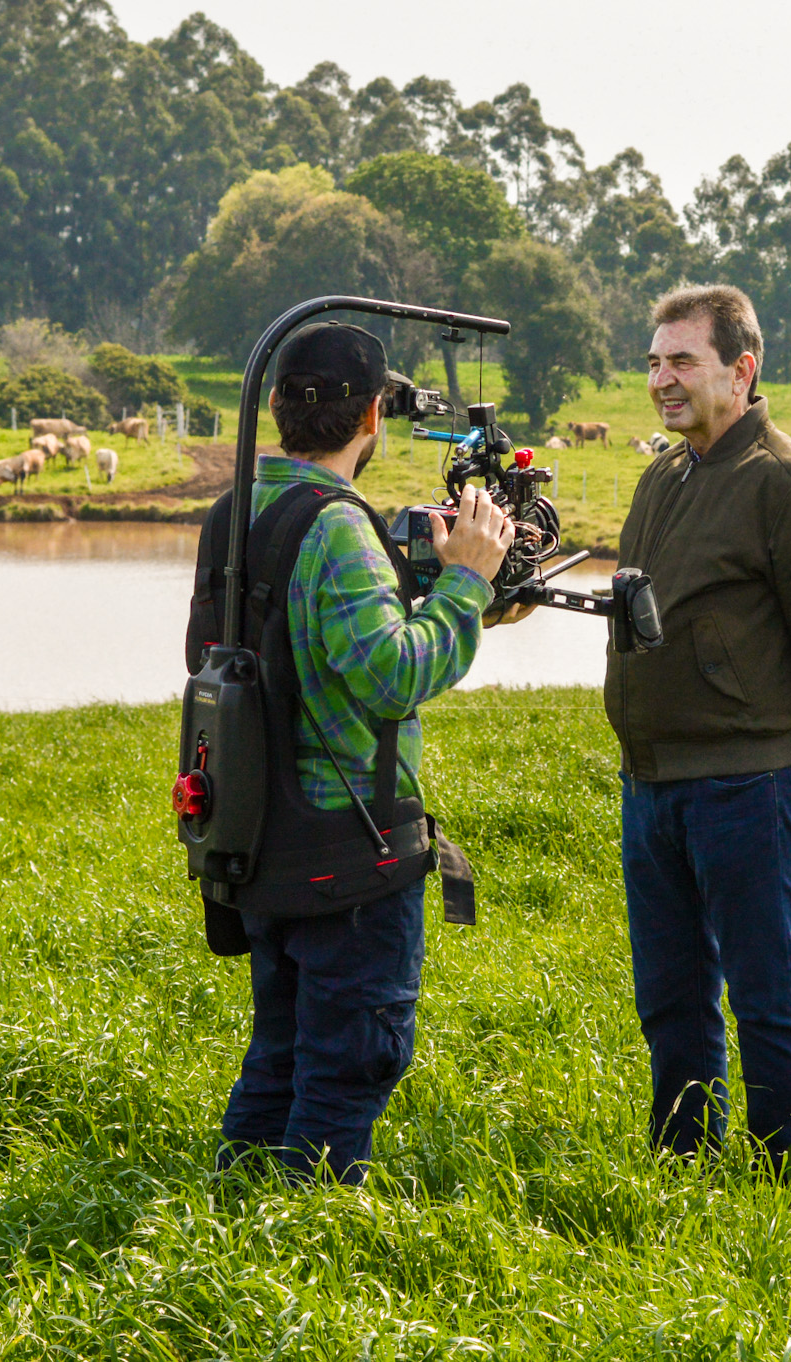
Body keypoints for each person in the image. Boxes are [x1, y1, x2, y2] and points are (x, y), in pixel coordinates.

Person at [207, 322, 514, 1184]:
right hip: (349, 853)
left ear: (274, 408)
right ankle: (308, 1245)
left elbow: (298, 636)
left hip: (264, 834)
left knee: (281, 1056)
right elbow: (389, 676)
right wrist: (464, 586)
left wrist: (454, 594)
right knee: (349, 1068)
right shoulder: (339, 527)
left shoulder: (239, 508)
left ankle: (236, 1224)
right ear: (373, 415)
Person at [606, 285, 791, 1169]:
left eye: (682, 360)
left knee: (766, 997)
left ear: (742, 368)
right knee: (671, 998)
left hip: (747, 784)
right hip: (650, 785)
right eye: (654, 361)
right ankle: (681, 1160)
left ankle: (786, 1181)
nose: (662, 378)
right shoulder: (662, 477)